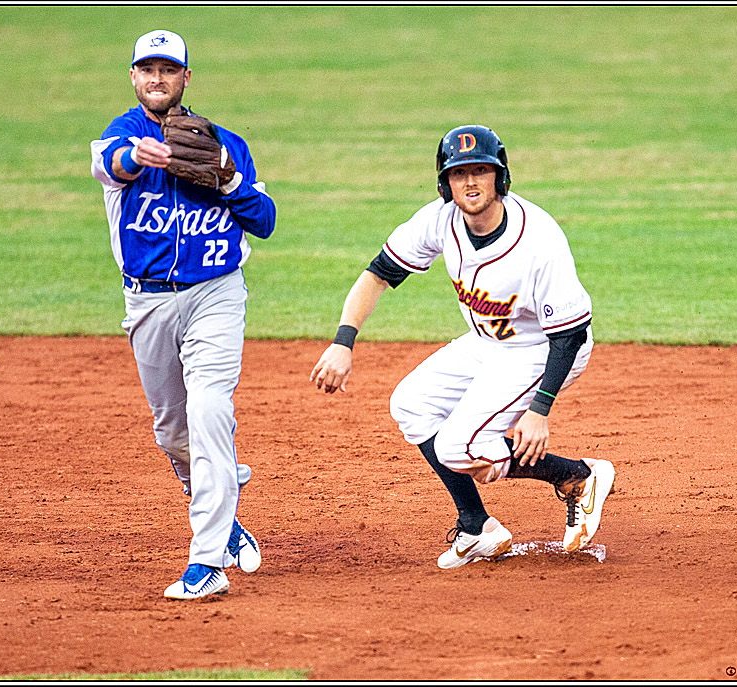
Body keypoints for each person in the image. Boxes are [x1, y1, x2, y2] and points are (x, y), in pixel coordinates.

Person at [310, 125, 615, 567]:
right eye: (459, 174)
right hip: (488, 341)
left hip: (543, 349)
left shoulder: (538, 239)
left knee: (458, 446)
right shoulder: (440, 220)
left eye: (480, 171)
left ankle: (576, 476)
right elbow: (376, 274)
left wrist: (539, 410)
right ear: (444, 183)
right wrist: (343, 341)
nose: (470, 182)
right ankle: (477, 527)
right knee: (410, 405)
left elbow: (568, 334)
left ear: (500, 177)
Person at [90, 30, 276, 598]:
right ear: (133, 77)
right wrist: (135, 157)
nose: (157, 78)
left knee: (210, 412)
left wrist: (229, 178)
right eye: (147, 69)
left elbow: (264, 219)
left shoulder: (225, 143)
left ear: (185, 78)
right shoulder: (116, 138)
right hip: (147, 301)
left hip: (215, 296)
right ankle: (226, 509)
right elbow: (113, 165)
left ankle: (208, 561)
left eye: (168, 70)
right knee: (173, 430)